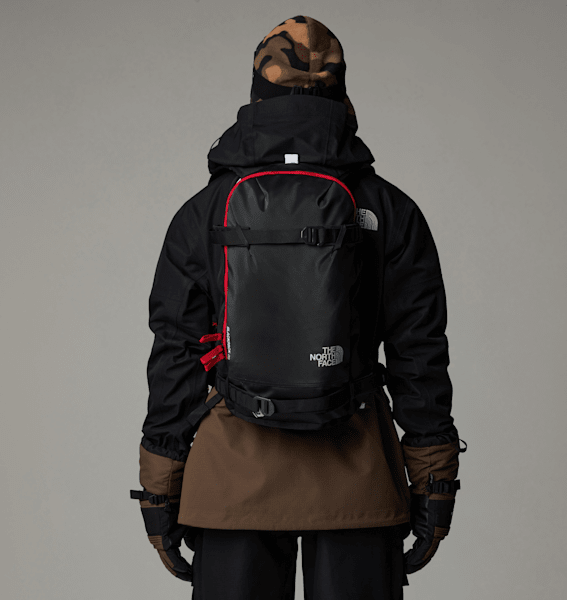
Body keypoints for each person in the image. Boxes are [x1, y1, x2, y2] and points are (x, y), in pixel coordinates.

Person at [132, 15, 466, 600]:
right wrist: (435, 481)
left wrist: (160, 486)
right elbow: (419, 351)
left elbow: (175, 353)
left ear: (256, 97)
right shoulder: (392, 209)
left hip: (232, 481)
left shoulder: (204, 212)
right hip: (358, 482)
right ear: (342, 96)